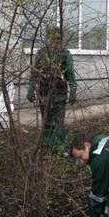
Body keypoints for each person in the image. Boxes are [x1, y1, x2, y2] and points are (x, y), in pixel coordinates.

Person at [27, 25, 77, 155]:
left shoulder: (66, 54)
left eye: (58, 38)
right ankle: (46, 145)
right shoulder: (41, 53)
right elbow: (34, 73)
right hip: (44, 94)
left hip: (59, 95)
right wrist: (30, 89)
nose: (55, 41)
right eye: (53, 38)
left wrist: (73, 91)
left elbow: (70, 74)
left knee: (59, 123)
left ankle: (60, 148)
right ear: (49, 39)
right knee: (47, 121)